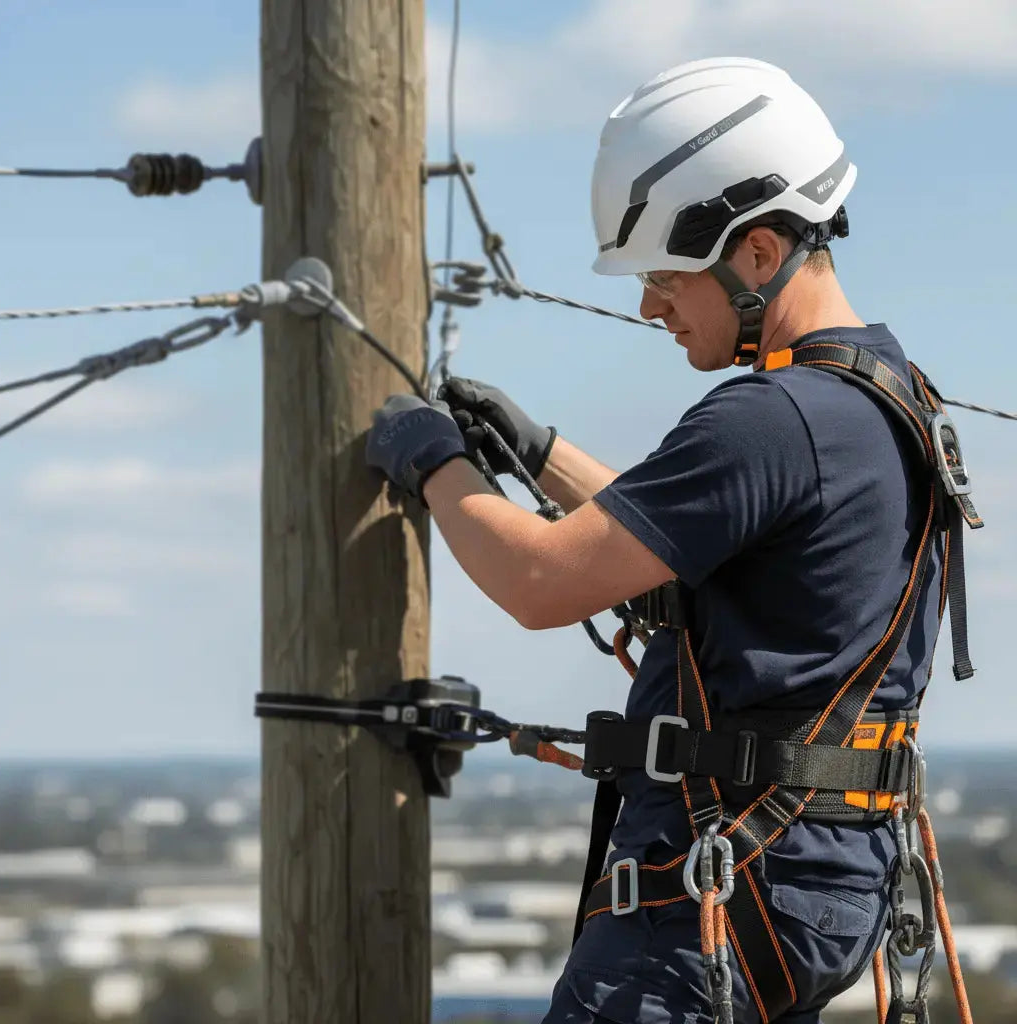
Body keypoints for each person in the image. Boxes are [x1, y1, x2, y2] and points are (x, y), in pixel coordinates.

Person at [366, 57, 974, 1023]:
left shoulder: (772, 418)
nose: (650, 305)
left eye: (664, 275)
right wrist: (541, 454)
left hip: (717, 893)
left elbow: (537, 580)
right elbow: (682, 536)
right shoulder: (883, 400)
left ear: (760, 253)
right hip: (807, 879)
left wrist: (433, 462)